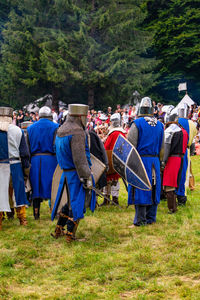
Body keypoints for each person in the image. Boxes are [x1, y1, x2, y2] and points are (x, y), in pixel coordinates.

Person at [51, 104, 96, 242]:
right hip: (76, 174)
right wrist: (85, 176)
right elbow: (79, 159)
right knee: (78, 204)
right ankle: (70, 235)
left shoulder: (60, 130)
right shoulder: (77, 132)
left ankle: (59, 229)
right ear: (80, 116)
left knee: (70, 202)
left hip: (66, 172)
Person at [128, 97, 164, 226]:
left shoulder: (137, 123)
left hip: (141, 161)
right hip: (155, 160)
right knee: (154, 187)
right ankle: (151, 218)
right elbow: (162, 147)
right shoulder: (160, 125)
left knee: (141, 187)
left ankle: (140, 220)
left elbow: (130, 145)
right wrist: (161, 163)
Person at [0, 106, 30, 230]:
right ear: (11, 117)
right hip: (15, 165)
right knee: (18, 193)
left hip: (1, 165)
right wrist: (26, 168)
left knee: (0, 193)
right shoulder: (17, 130)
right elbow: (24, 153)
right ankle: (22, 218)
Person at [27, 106, 59, 219]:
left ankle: (36, 214)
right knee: (53, 186)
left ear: (39, 115)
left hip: (35, 161)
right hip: (51, 160)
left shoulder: (30, 128)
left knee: (36, 187)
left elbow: (28, 147)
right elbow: (56, 145)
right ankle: (54, 212)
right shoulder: (56, 127)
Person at [161, 108, 188, 213]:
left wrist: (163, 161)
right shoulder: (181, 130)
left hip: (172, 159)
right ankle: (174, 207)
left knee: (169, 184)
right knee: (174, 182)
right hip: (180, 159)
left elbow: (167, 148)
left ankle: (172, 208)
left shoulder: (169, 130)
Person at [102, 113, 126, 205]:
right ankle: (115, 199)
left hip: (110, 159)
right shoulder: (122, 133)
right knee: (115, 180)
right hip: (119, 159)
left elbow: (106, 147)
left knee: (108, 180)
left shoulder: (112, 133)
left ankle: (107, 199)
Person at [176, 104, 197, 205]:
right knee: (183, 174)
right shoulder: (191, 124)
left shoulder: (174, 121)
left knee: (174, 172)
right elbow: (193, 138)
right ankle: (181, 197)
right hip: (185, 151)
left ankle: (169, 193)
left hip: (173, 151)